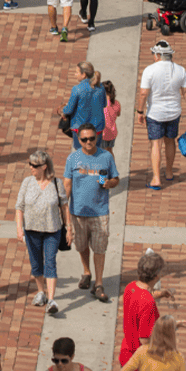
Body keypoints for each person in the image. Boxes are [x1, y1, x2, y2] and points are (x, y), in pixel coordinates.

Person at [63, 123, 118, 303]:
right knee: (81, 246)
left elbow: (116, 178)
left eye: (92, 138)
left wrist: (110, 183)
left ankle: (99, 283)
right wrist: (65, 214)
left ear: (97, 138)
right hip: (78, 212)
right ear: (78, 140)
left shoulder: (106, 157)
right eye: (84, 139)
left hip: (100, 211)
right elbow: (67, 185)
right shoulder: (73, 159)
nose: (88, 142)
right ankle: (87, 272)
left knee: (99, 248)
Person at [15, 149, 71, 315]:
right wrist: (19, 228)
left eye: (35, 165)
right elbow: (19, 207)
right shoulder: (27, 182)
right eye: (30, 164)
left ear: (44, 166)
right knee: (36, 263)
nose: (31, 167)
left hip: (52, 230)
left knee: (50, 262)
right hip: (31, 230)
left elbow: (64, 206)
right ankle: (41, 292)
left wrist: (69, 228)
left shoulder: (56, 183)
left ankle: (52, 299)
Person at [137, 40, 186, 190]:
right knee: (170, 141)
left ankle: (156, 178)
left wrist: (140, 111)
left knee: (156, 143)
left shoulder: (149, 71)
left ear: (158, 55)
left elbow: (144, 93)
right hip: (174, 112)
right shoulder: (180, 70)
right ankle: (169, 172)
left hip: (155, 113)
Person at [119, 251, 167, 367]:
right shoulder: (148, 303)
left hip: (126, 355)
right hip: (140, 364)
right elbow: (144, 339)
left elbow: (141, 297)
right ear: (156, 276)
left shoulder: (130, 287)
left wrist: (161, 294)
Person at [59, 62, 106, 148]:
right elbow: (104, 104)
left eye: (77, 72)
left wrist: (63, 110)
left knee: (81, 153)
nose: (75, 74)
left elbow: (69, 110)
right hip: (97, 128)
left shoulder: (77, 89)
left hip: (80, 129)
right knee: (96, 152)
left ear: (83, 74)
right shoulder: (101, 87)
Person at [101, 80, 121, 151]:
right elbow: (118, 114)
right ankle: (112, 162)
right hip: (113, 133)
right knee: (110, 150)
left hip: (103, 134)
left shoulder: (101, 105)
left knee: (101, 153)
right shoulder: (117, 103)